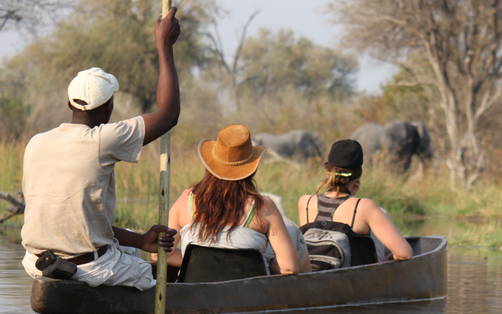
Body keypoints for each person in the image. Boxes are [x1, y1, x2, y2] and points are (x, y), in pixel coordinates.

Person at [20, 8, 182, 290]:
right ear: (108, 108)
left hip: (37, 263)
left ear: (70, 103)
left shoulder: (37, 142)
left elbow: (77, 222)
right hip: (89, 269)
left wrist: (141, 241)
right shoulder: (103, 139)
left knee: (132, 245)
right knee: (163, 277)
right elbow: (168, 115)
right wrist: (164, 46)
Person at [162, 124, 306, 275]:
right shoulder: (263, 207)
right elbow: (289, 267)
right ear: (252, 169)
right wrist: (264, 265)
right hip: (249, 296)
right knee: (295, 236)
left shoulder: (186, 199)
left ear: (210, 164)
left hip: (196, 295)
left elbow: (161, 253)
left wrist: (197, 264)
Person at [297, 139, 412, 270]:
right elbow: (404, 253)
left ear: (328, 171)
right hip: (352, 281)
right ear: (356, 181)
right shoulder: (364, 207)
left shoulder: (305, 202)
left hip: (314, 276)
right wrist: (389, 259)